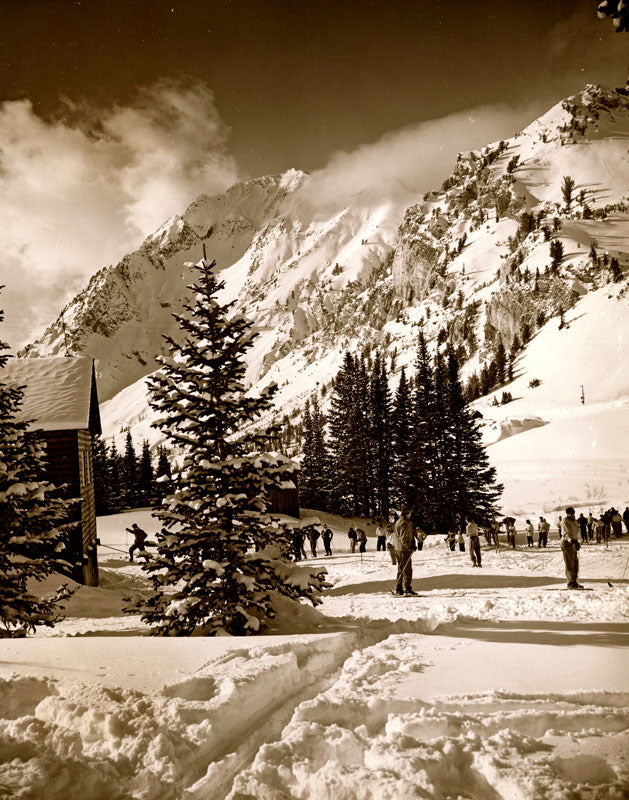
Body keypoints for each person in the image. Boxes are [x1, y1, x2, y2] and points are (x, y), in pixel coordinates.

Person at [393, 506, 416, 595]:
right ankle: (406, 588)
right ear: (407, 513)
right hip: (403, 549)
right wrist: (409, 547)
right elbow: (404, 538)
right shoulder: (404, 523)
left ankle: (399, 588)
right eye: (410, 513)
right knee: (407, 569)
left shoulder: (399, 521)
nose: (410, 515)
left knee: (401, 569)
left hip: (399, 548)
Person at [561, 507, 582, 589]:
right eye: (569, 513)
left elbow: (576, 532)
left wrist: (577, 541)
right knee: (570, 563)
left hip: (573, 542)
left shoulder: (575, 521)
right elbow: (566, 533)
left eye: (572, 512)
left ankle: (574, 581)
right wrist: (572, 541)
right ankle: (570, 582)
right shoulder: (565, 521)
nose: (571, 514)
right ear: (567, 513)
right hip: (567, 543)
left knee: (575, 562)